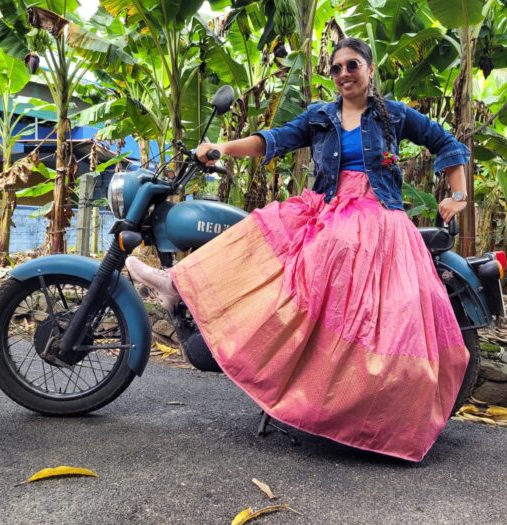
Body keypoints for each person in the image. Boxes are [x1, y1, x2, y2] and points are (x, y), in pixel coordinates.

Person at [126, 37, 471, 462]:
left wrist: (458, 195)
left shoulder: (393, 115)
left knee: (333, 262)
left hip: (375, 216)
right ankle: (180, 282)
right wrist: (222, 148)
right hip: (327, 207)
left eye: (352, 65)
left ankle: (360, 409)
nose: (344, 73)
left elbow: (447, 143)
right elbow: (272, 140)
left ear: (370, 69)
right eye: (337, 68)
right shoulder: (320, 116)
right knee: (259, 227)